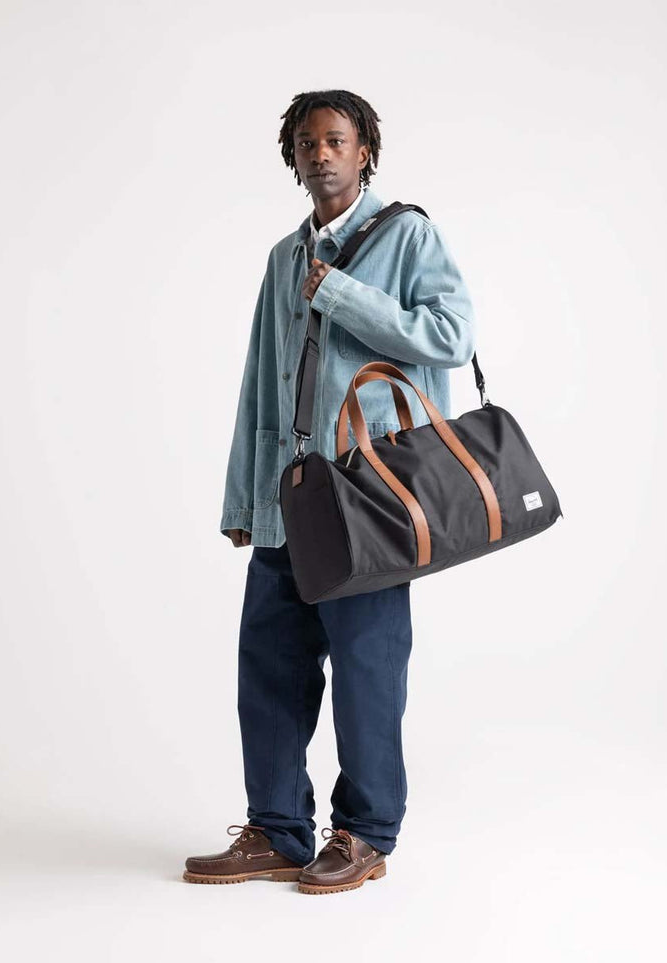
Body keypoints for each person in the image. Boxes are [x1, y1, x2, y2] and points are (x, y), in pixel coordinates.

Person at [183, 89, 476, 895]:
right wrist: (244, 500)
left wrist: (341, 294)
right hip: (290, 498)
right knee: (268, 668)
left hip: (372, 499)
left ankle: (365, 833)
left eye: (336, 140)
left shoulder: (408, 235)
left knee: (366, 670)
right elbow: (261, 383)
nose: (321, 154)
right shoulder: (284, 256)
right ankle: (277, 830)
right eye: (308, 143)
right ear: (294, 156)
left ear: (364, 151)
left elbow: (451, 336)